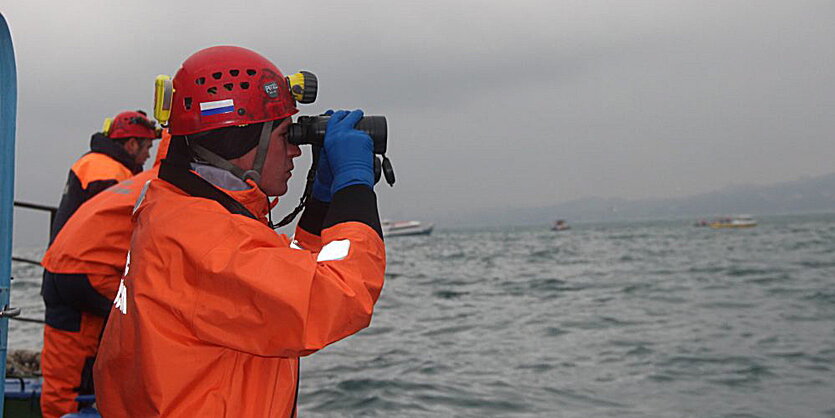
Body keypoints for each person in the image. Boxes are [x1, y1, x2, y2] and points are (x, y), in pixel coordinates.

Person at [94, 46, 386, 417]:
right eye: (284, 135)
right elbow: (341, 297)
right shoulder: (206, 240)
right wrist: (354, 187)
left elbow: (279, 285)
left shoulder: (176, 207)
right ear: (243, 145)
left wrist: (321, 206)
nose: (296, 151)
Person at [38, 111, 161, 418]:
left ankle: (62, 411)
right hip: (89, 270)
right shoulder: (112, 173)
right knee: (136, 327)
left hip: (61, 266)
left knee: (65, 363)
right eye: (146, 148)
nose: (148, 156)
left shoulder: (89, 163)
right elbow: (119, 230)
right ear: (131, 144)